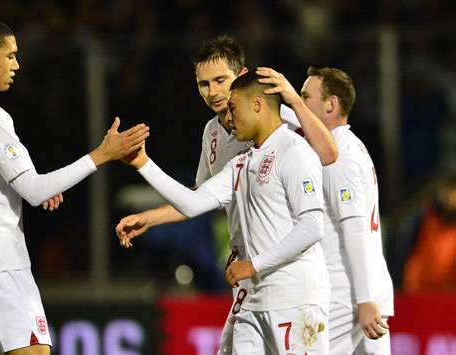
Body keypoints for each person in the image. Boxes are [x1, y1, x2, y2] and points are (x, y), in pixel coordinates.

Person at [0, 18, 149, 355]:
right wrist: (103, 154)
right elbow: (36, 190)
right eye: (10, 56)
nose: (17, 65)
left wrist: (25, 185)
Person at [116, 35, 337, 354]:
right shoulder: (227, 147)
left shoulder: (289, 133)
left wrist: (294, 99)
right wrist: (145, 182)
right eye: (204, 84)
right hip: (249, 278)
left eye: (221, 81)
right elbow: (197, 198)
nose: (213, 92)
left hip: (291, 280)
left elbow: (327, 156)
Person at [291, 66, 394, 354]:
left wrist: (363, 300)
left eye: (305, 97)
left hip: (347, 292)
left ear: (331, 104)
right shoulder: (350, 146)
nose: (299, 104)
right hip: (364, 287)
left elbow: (355, 228)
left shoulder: (340, 156)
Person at [403, 170, 456, 293]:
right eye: (447, 191)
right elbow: (411, 254)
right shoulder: (423, 218)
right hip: (420, 291)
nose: (450, 197)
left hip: (450, 293)